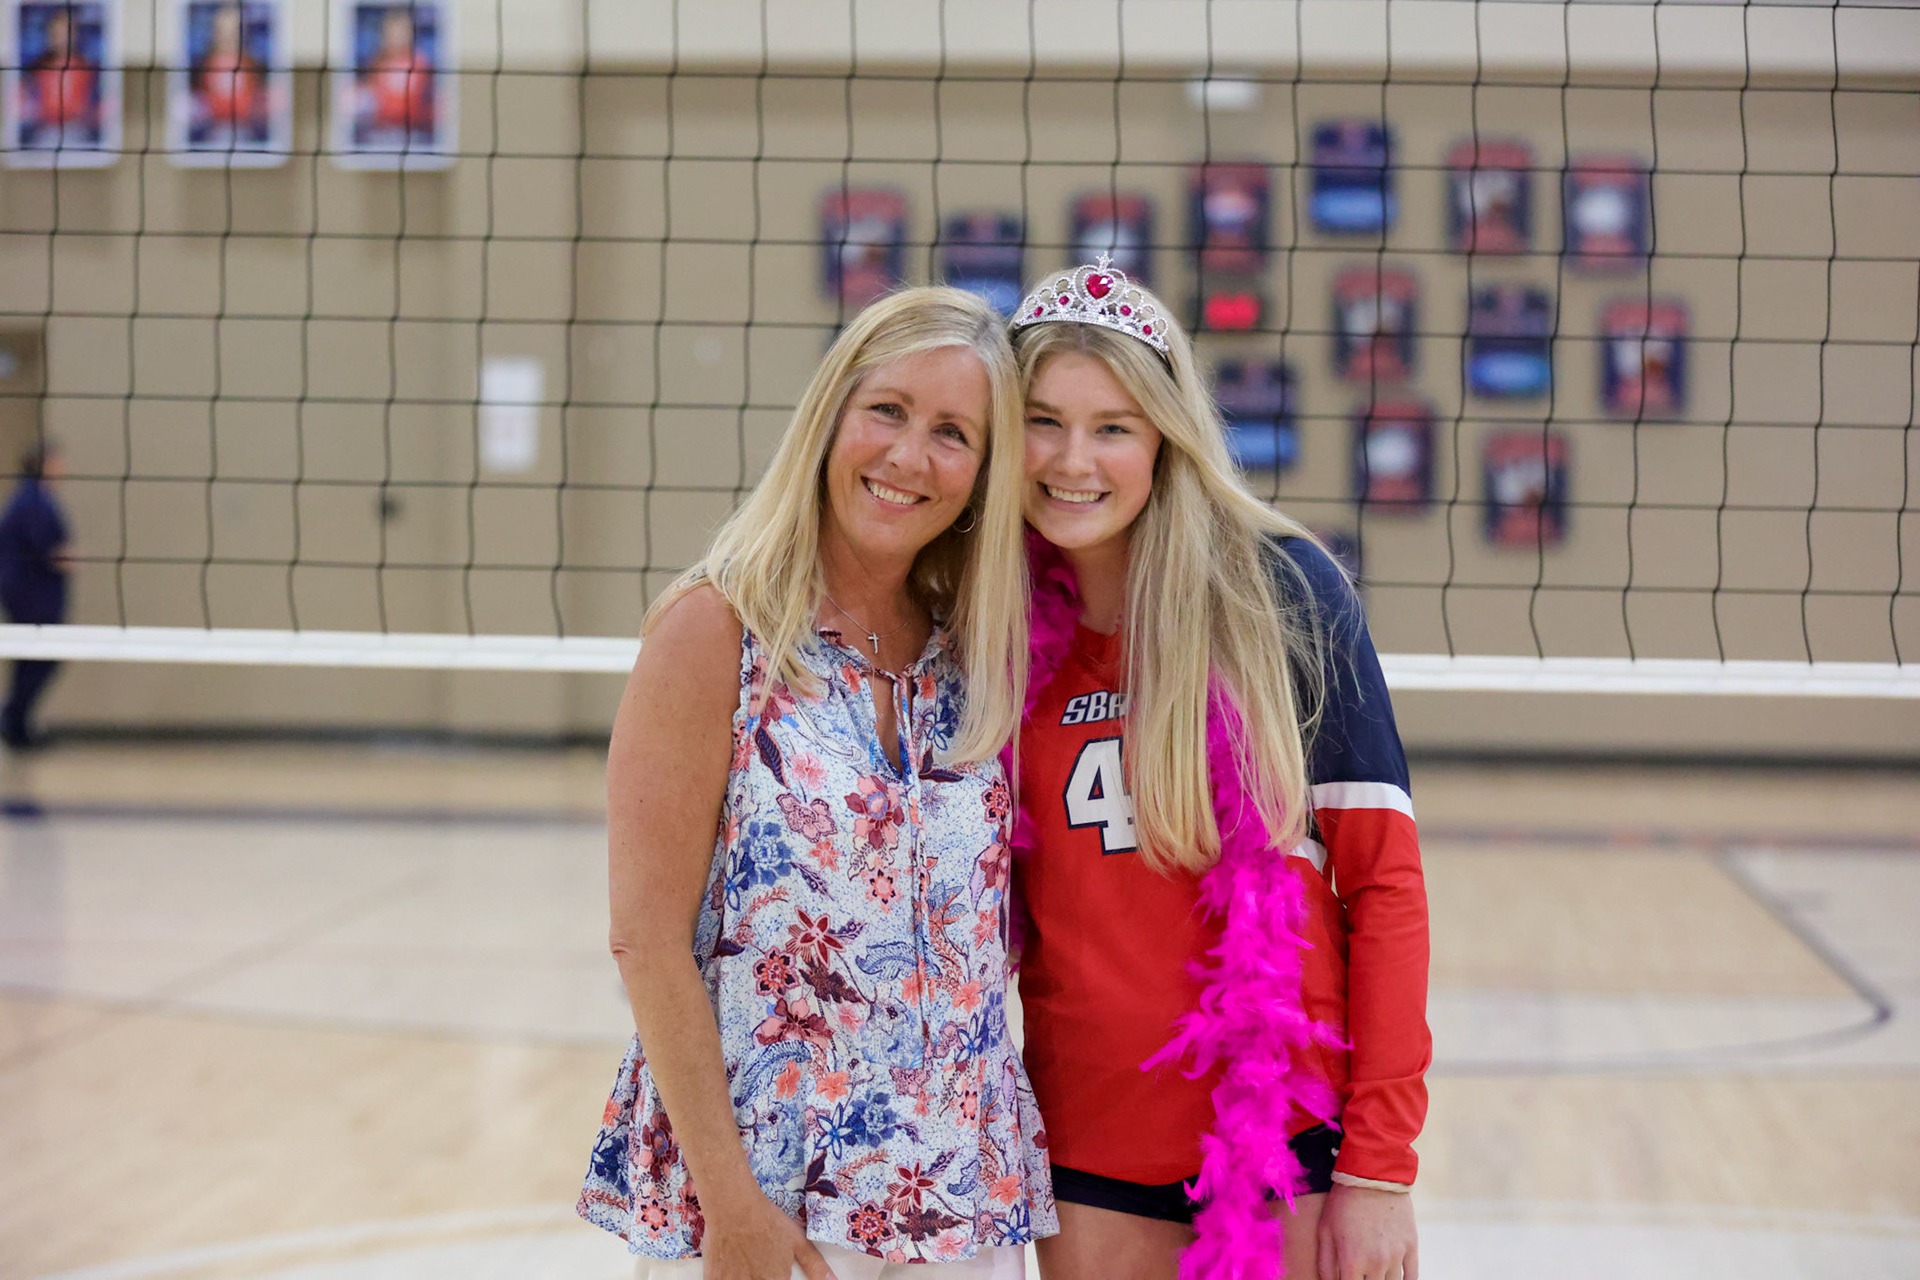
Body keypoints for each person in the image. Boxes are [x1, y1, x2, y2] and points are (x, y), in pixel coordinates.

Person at [577, 287, 1056, 1279]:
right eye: (887, 411)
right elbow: (647, 937)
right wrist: (731, 1199)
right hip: (772, 1193)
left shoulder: (980, 655)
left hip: (959, 1199)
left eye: (952, 432)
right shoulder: (714, 630)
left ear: (984, 471)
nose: (909, 457)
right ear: (831, 414)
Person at [1005, 259, 1430, 1280]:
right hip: (1084, 1146)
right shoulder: (987, 614)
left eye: (1113, 425)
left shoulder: (1280, 593)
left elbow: (1386, 886)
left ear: (1165, 436)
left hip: (1284, 1143)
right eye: (1043, 420)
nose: (1074, 459)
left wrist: (1381, 1168)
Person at [0, 443, 71, 749]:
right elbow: (46, 549)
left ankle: (17, 725)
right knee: (41, 657)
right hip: (30, 594)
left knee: (32, 659)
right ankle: (12, 720)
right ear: (44, 463)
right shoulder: (33, 501)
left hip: (32, 592)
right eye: (57, 461)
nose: (63, 467)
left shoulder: (36, 498)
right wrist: (68, 558)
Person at [190, 3, 269, 146]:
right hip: (212, 132)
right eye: (222, 31)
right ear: (214, 32)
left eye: (235, 31)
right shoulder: (202, 67)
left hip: (247, 131)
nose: (229, 37)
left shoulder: (255, 66)